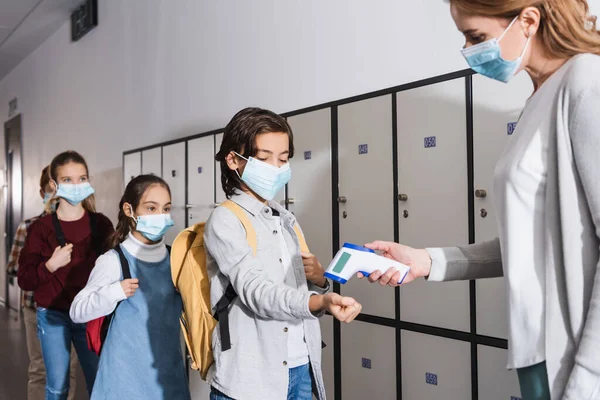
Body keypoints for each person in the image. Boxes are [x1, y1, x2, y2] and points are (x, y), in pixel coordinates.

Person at [361, 1, 600, 399]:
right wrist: (426, 261)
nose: (471, 51)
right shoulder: (538, 100)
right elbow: (530, 246)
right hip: (536, 352)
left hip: (577, 360)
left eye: (476, 37)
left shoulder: (585, 81)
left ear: (528, 20)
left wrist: (589, 376)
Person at [205, 107, 362, 400]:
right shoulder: (225, 220)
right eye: (264, 159)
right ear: (233, 160)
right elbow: (257, 292)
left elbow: (298, 289)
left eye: (283, 158)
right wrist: (319, 301)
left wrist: (320, 281)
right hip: (250, 377)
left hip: (301, 367)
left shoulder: (284, 218)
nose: (276, 168)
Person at [69, 174, 190, 400]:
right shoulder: (115, 261)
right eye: (151, 208)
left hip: (167, 377)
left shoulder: (177, 259)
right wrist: (115, 292)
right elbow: (77, 311)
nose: (160, 216)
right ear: (129, 209)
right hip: (123, 379)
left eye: (166, 209)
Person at [18, 151, 115, 400]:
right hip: (53, 315)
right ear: (54, 184)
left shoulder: (100, 225)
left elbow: (115, 269)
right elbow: (25, 279)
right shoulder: (41, 228)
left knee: (100, 381)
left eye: (82, 178)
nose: (77, 185)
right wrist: (50, 265)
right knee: (58, 386)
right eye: (68, 180)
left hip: (90, 313)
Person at [6, 166, 78, 400]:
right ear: (42, 193)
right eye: (51, 191)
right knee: (40, 369)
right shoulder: (28, 228)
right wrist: (47, 264)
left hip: (71, 308)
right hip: (36, 309)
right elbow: (13, 268)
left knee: (69, 370)